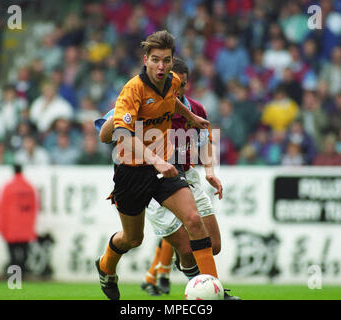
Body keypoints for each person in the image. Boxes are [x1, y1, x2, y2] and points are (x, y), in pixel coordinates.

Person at [96, 57, 238, 300]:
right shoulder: (137, 95)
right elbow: (106, 134)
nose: (177, 89)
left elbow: (205, 140)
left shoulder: (193, 108)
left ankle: (203, 284)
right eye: (176, 84)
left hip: (180, 173)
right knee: (138, 239)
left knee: (210, 242)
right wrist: (118, 118)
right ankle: (206, 289)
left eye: (182, 85)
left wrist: (210, 171)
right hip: (139, 173)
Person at [0, 164, 39, 279]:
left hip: (12, 228)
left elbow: (1, 207)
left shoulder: (8, 187)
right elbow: (34, 207)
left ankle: (14, 276)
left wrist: (2, 225)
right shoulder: (29, 187)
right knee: (24, 251)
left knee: (12, 253)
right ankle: (23, 273)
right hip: (25, 227)